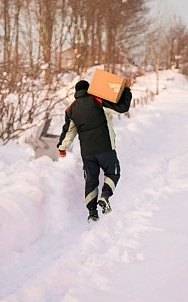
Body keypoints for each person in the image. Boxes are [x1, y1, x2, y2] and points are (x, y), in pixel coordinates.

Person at [56, 79, 132, 222]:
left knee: (91, 180)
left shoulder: (71, 109)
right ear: (89, 89)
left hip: (87, 152)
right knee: (113, 172)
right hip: (105, 148)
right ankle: (105, 196)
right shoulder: (97, 99)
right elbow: (122, 108)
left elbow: (68, 131)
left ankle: (92, 212)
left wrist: (62, 147)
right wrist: (126, 90)